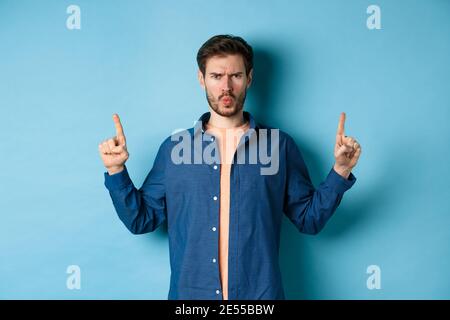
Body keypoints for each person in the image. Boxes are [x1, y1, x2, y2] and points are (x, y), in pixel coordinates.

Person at [98, 34, 362, 300]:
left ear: (249, 79)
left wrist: (340, 170)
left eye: (235, 75)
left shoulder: (278, 146)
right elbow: (140, 220)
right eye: (216, 76)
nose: (226, 86)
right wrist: (116, 171)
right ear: (202, 79)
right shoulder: (175, 149)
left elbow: (309, 219)